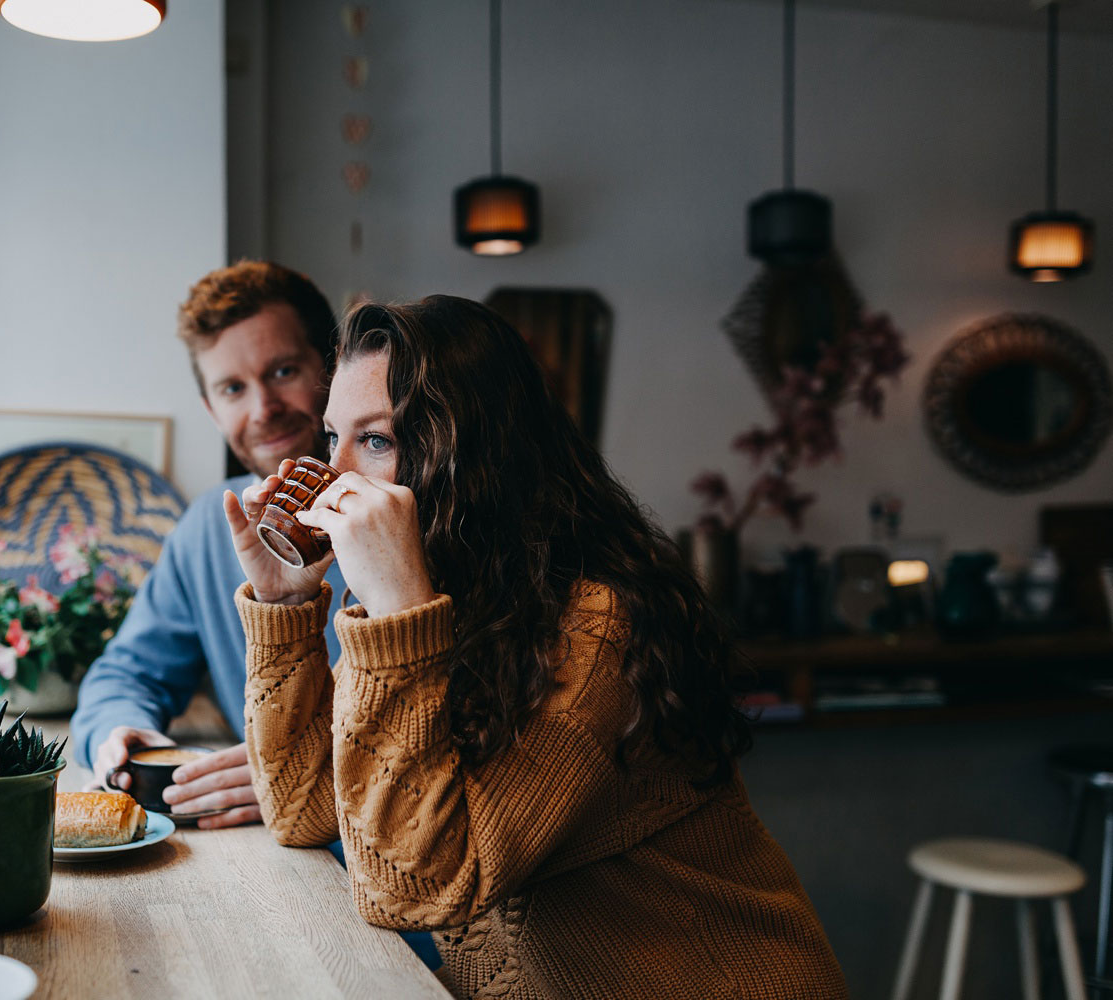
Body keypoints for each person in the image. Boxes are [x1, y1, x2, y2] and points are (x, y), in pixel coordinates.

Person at [223, 296, 847, 998]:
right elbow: (306, 809)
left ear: (468, 456)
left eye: (376, 441)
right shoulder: (447, 602)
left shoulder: (596, 626)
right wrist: (286, 604)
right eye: (331, 436)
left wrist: (398, 614)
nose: (332, 476)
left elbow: (411, 888)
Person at [70, 260, 345, 829]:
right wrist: (117, 733)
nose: (262, 409)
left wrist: (303, 768)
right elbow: (126, 675)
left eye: (285, 370)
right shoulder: (206, 527)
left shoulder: (416, 516)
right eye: (232, 388)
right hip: (274, 862)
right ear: (211, 409)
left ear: (333, 368)